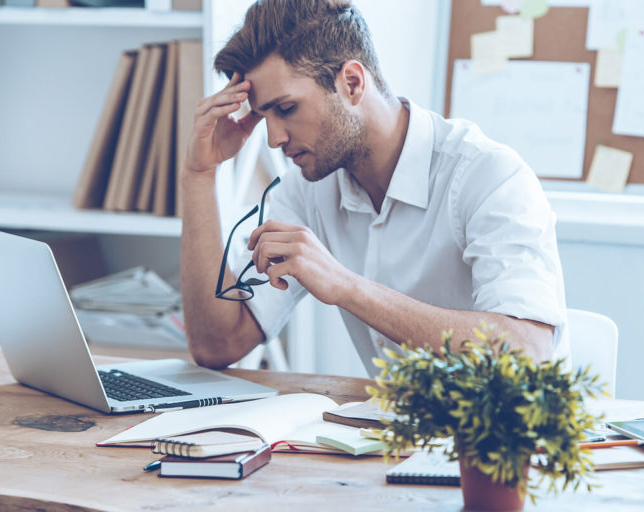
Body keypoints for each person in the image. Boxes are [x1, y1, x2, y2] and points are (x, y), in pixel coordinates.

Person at [180, 0, 567, 376]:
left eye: (286, 109)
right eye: (263, 116)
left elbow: (528, 353)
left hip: (516, 438)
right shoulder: (307, 189)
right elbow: (218, 345)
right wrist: (199, 175)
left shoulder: (488, 175)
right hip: (394, 434)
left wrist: (346, 287)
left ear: (352, 82)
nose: (274, 139)